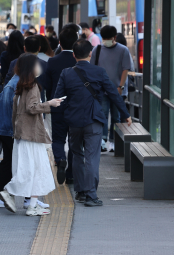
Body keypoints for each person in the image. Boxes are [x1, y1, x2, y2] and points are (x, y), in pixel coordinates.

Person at [55, 39, 131, 207]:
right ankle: (91, 195)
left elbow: (58, 99)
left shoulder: (66, 73)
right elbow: (113, 94)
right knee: (91, 157)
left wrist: (65, 115)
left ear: (74, 55)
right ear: (90, 54)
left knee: (76, 154)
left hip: (73, 121)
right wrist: (126, 114)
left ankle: (80, 192)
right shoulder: (99, 72)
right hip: (94, 120)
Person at [0, 53, 63, 216]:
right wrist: (50, 103)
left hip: (22, 134)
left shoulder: (20, 85)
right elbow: (32, 108)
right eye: (36, 64)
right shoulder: (32, 86)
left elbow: (16, 111)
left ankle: (32, 205)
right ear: (31, 67)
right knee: (37, 170)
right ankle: (11, 191)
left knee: (31, 170)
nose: (39, 67)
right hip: (32, 135)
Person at [0, 70, 50, 210]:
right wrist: (50, 105)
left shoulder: (13, 82)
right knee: (24, 163)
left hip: (9, 130)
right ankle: (17, 196)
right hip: (14, 130)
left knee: (11, 162)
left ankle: (1, 196)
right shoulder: (21, 84)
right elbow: (27, 109)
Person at [43, 28, 78, 185]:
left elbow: (47, 85)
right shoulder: (79, 60)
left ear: (59, 43)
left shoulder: (53, 61)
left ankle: (60, 159)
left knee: (58, 139)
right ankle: (71, 175)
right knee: (74, 142)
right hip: (76, 107)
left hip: (57, 105)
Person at [90, 25, 132, 152]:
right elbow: (93, 69)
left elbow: (126, 69)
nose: (105, 41)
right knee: (102, 114)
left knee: (116, 116)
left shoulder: (123, 50)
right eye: (104, 38)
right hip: (102, 90)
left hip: (118, 90)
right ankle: (103, 141)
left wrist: (121, 86)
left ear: (115, 37)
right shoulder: (97, 50)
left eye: (108, 38)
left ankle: (114, 142)